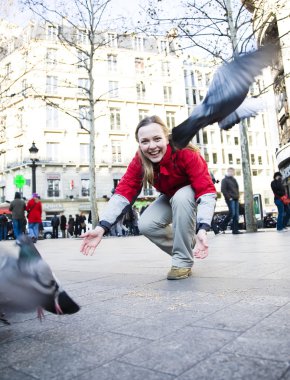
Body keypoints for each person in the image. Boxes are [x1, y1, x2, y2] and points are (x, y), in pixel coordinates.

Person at [81, 115, 216, 280]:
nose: (152, 146)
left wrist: (203, 228)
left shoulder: (185, 152)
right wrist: (101, 228)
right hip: (170, 196)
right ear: (139, 143)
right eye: (145, 141)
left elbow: (206, 189)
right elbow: (123, 192)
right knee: (146, 224)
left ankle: (182, 261)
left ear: (166, 138)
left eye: (157, 139)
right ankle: (188, 247)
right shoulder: (140, 160)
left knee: (182, 197)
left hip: (192, 193)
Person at [220, 167, 242, 234]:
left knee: (236, 215)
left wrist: (238, 197)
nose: (232, 173)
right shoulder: (224, 180)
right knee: (232, 213)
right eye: (230, 171)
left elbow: (237, 189)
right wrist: (229, 197)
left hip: (236, 199)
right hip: (230, 199)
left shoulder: (234, 180)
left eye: (233, 172)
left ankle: (235, 230)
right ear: (228, 172)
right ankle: (222, 225)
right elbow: (223, 190)